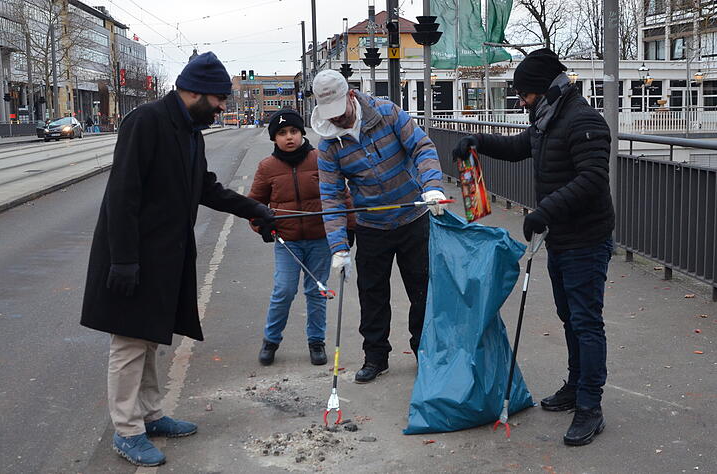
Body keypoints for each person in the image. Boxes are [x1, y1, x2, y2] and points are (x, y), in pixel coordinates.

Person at [80, 52, 276, 467]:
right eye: (220, 99)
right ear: (195, 91)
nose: (224, 106)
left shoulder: (190, 132)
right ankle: (127, 429)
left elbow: (204, 187)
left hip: (165, 255)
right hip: (133, 255)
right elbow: (123, 194)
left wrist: (254, 209)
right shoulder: (146, 122)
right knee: (130, 342)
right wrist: (124, 261)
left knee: (149, 337)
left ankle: (150, 415)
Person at [452, 48, 614, 447]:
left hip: (586, 238)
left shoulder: (584, 121)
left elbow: (593, 178)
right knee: (569, 316)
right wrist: (478, 141)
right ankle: (576, 386)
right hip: (560, 236)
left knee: (585, 321)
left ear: (543, 90)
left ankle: (590, 406)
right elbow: (517, 147)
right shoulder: (547, 119)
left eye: (524, 94)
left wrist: (544, 211)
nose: (521, 101)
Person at [311, 69, 446, 384]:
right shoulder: (329, 145)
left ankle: (425, 351)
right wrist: (339, 249)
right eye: (331, 116)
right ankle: (375, 357)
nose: (338, 121)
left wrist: (432, 186)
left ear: (351, 95)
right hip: (371, 224)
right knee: (372, 295)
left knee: (423, 290)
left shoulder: (387, 113)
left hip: (414, 216)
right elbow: (330, 198)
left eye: (341, 113)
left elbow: (422, 148)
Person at [247, 109, 354, 367]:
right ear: (274, 138)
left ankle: (316, 342)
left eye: (293, 131)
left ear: (302, 133)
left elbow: (342, 195)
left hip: (320, 239)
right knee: (283, 290)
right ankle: (271, 340)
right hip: (288, 242)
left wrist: (348, 228)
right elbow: (253, 204)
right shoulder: (267, 167)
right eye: (282, 133)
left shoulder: (320, 158)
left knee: (316, 291)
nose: (289, 137)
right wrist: (261, 224)